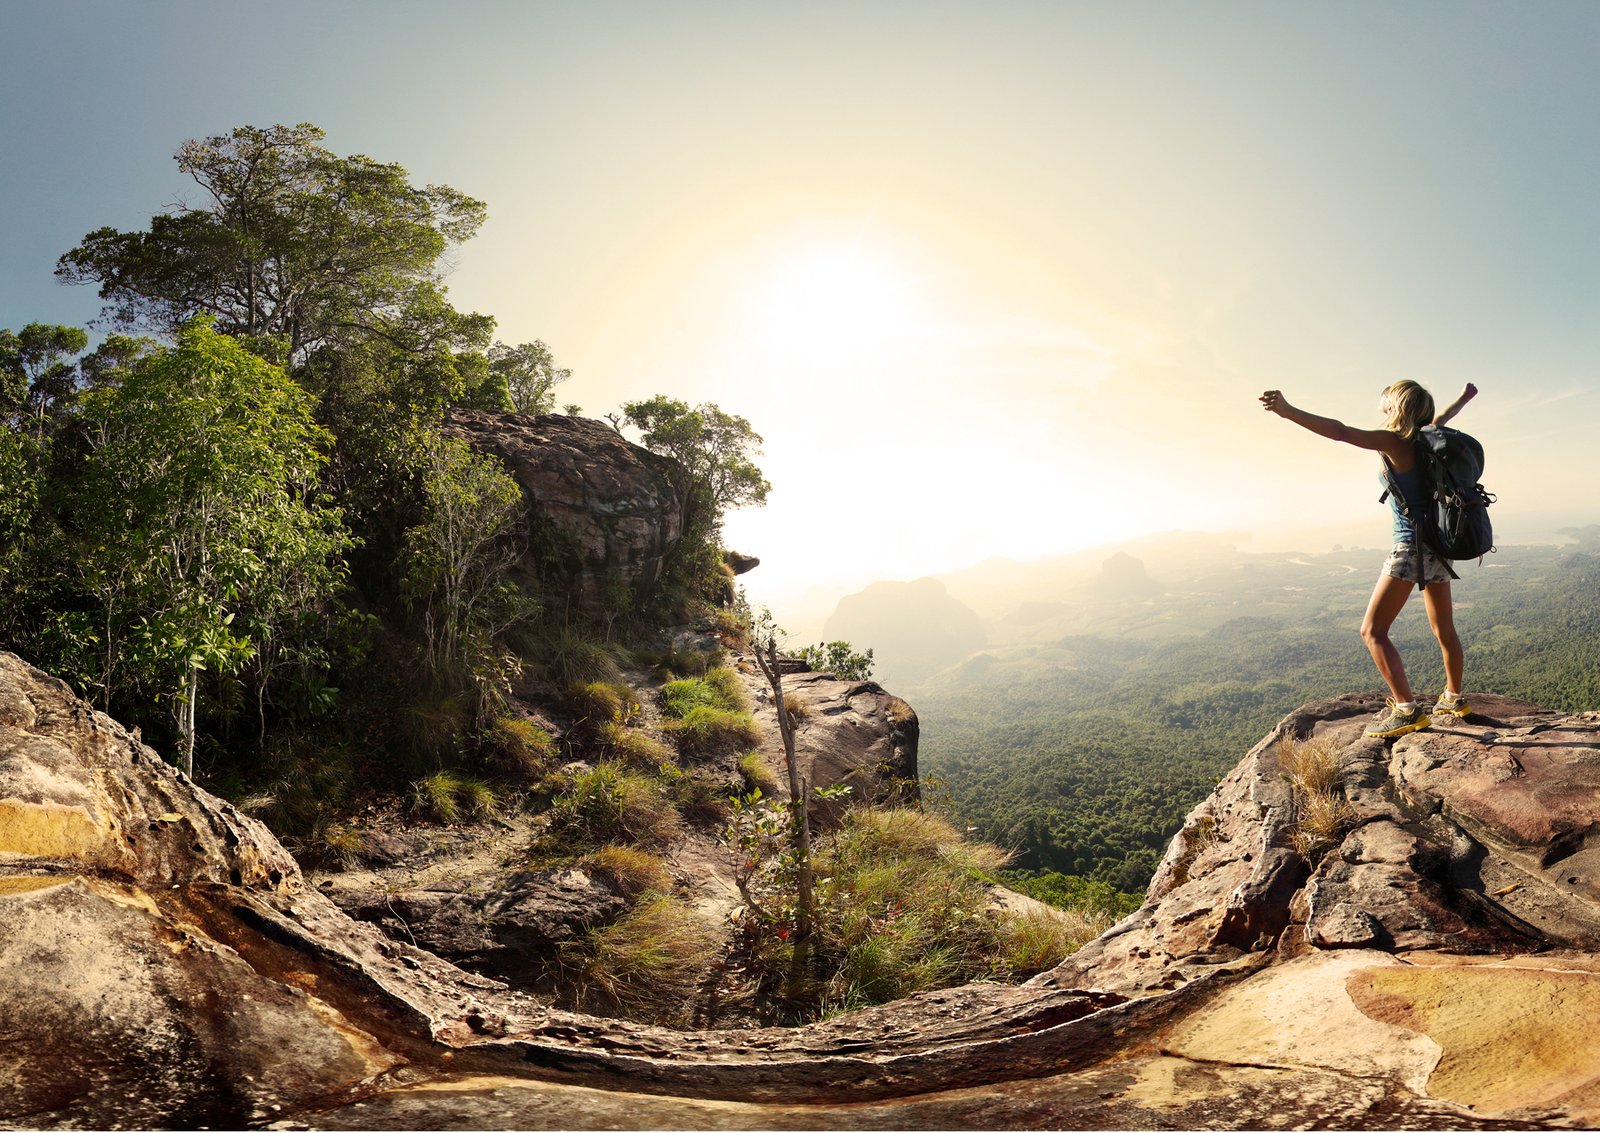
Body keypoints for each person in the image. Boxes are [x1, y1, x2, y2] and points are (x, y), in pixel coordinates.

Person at [1259, 380, 1479, 738]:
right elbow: (1442, 416)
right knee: (1445, 631)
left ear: (1396, 406)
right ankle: (1453, 698)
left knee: (1372, 631)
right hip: (1438, 546)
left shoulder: (1394, 441)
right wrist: (1463, 400)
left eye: (1387, 397)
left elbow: (1342, 432)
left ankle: (1407, 710)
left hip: (1410, 547)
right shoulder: (1427, 439)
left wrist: (1288, 411)